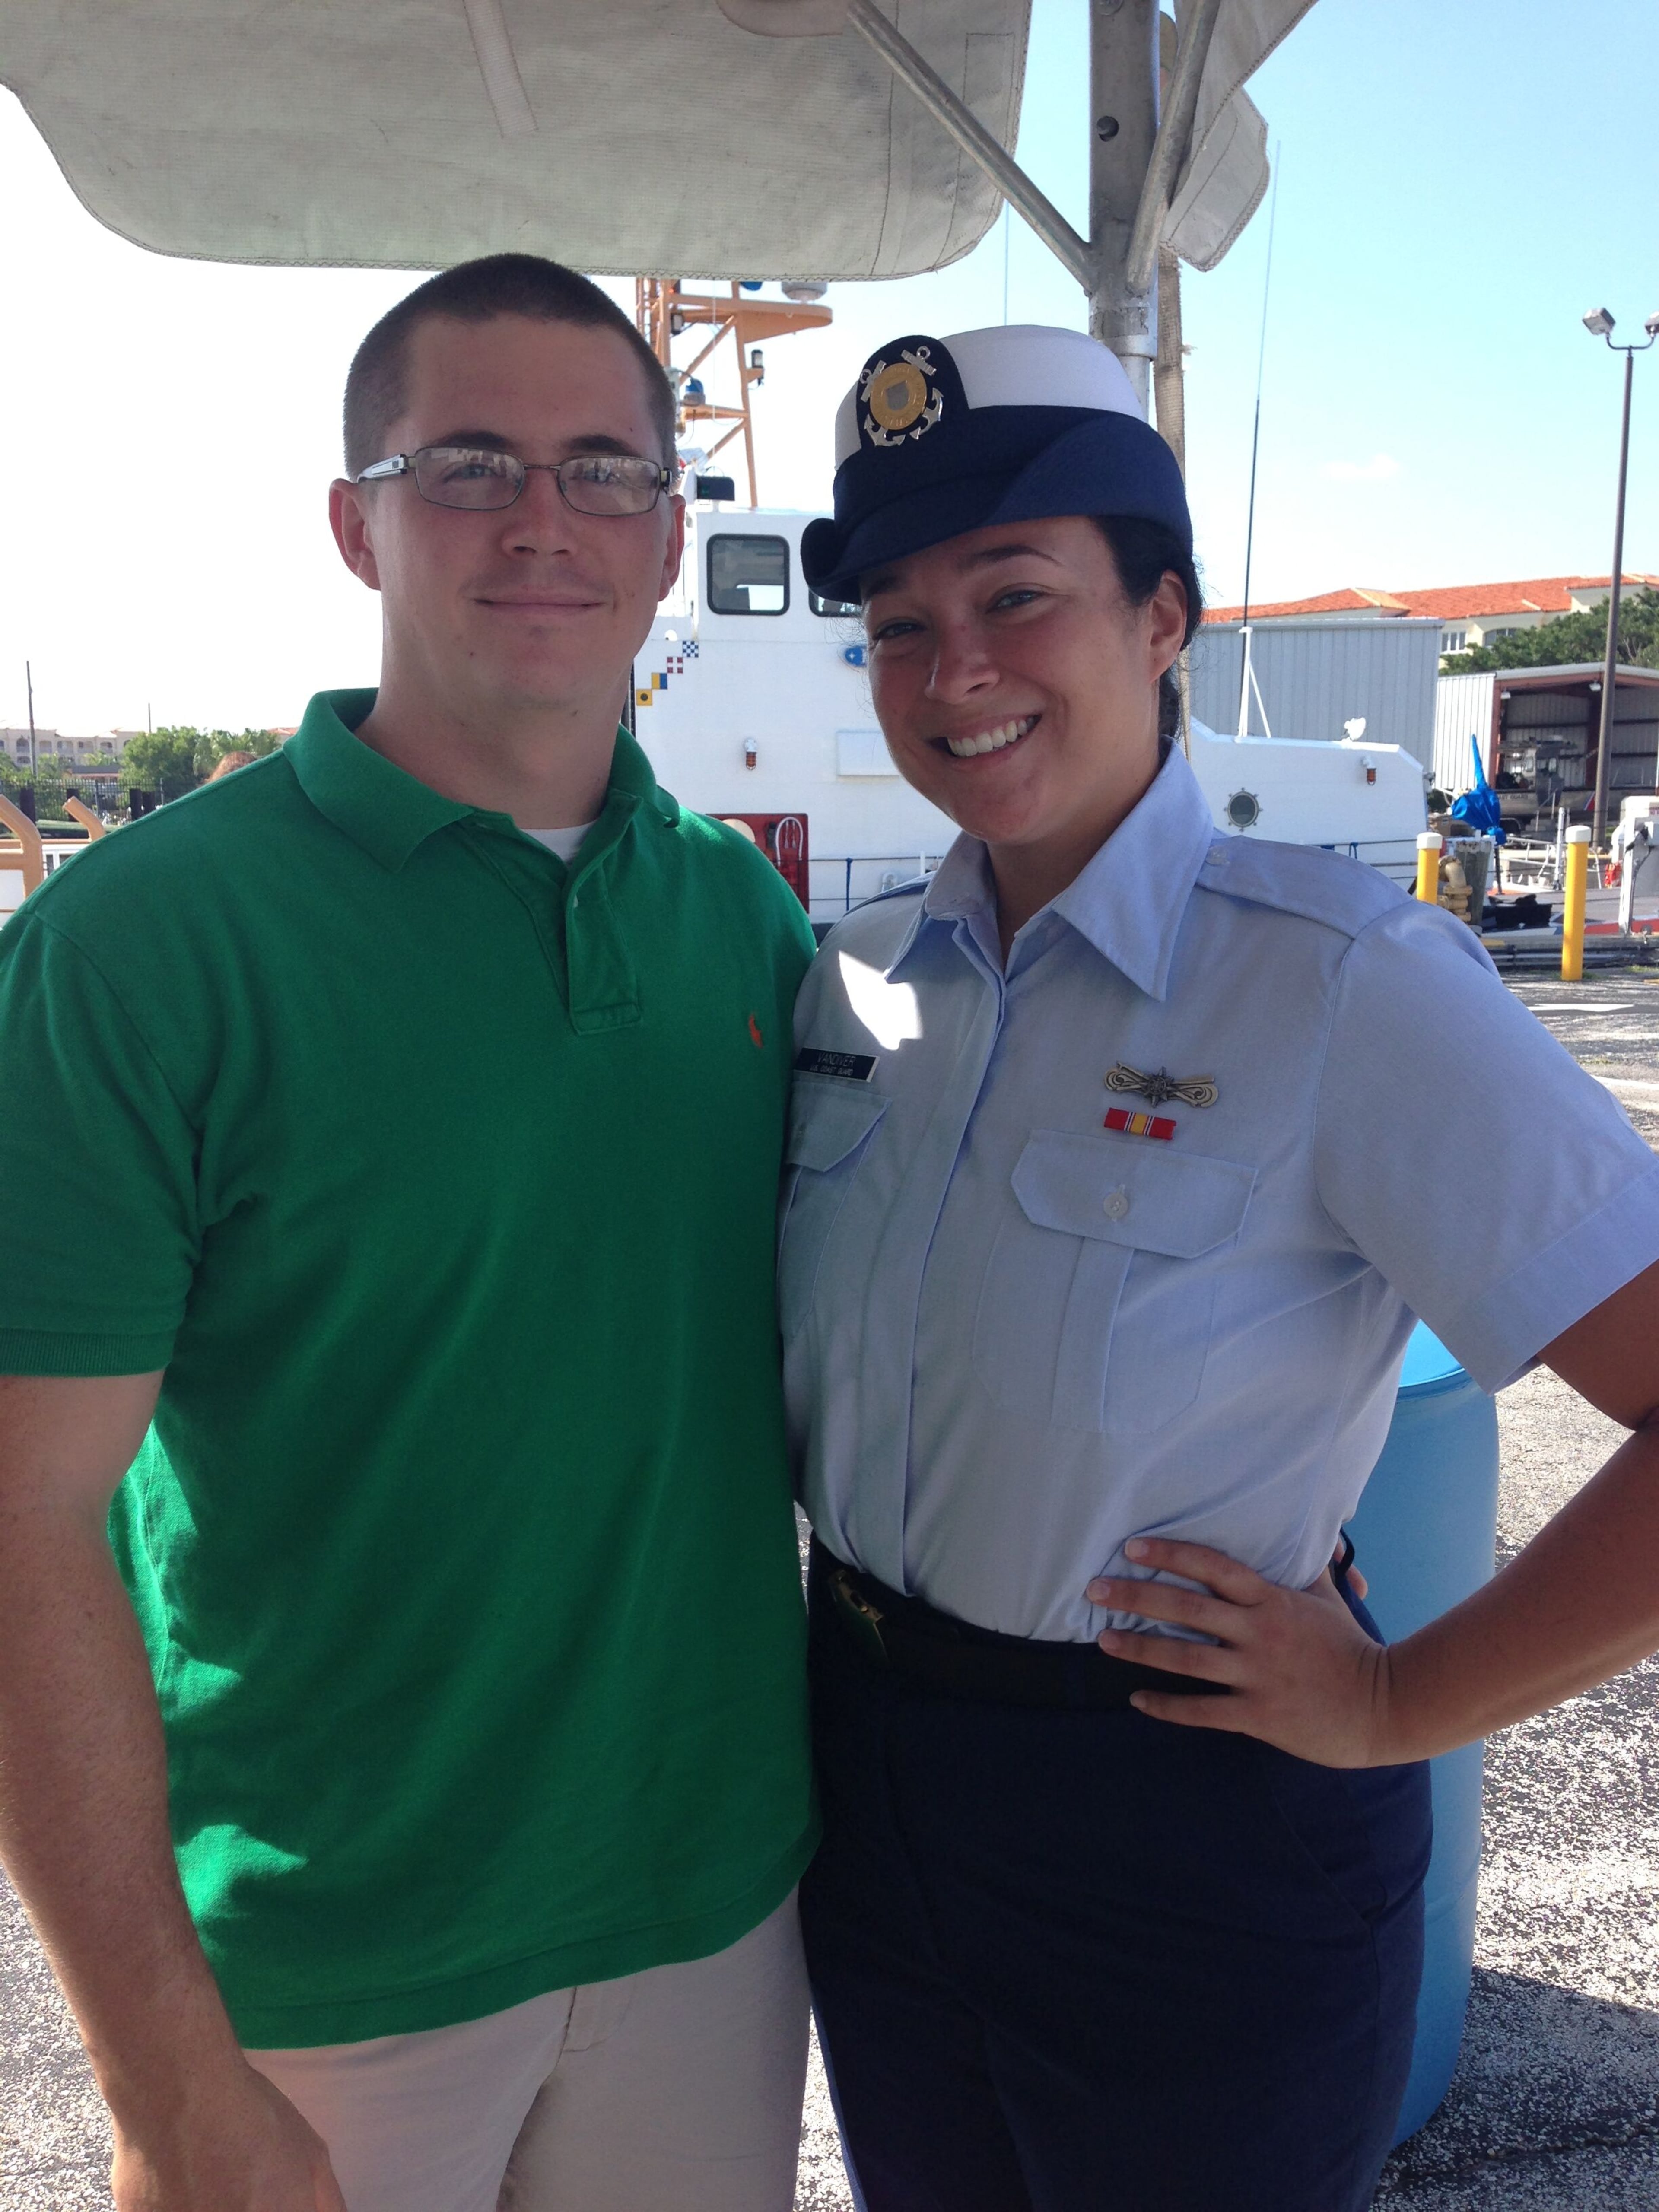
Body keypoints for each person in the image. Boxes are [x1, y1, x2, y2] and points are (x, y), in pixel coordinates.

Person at [783, 321, 1659, 2212]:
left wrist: (1396, 1704)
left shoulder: (1345, 979)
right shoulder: (854, 985)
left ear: (1164, 615)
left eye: (1018, 595)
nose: (959, 673)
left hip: (1186, 1829)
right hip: (865, 1781)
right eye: (902, 627)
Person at [0, 254, 818, 2212]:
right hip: (321, 1962)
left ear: (670, 527)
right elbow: (23, 1521)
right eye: (470, 462)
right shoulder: (134, 950)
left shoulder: (743, 927)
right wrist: (164, 2074)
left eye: (607, 469)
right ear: (355, 519)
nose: (545, 518)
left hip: (707, 1921)